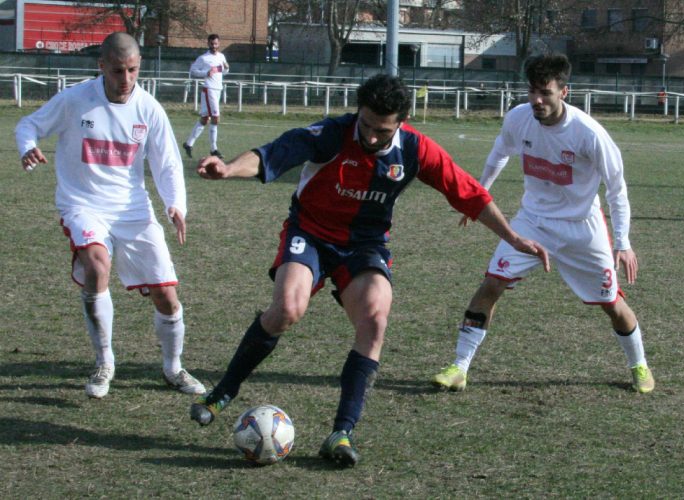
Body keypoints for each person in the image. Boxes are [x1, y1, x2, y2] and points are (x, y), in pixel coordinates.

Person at [189, 74, 549, 467]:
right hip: (309, 232)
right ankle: (223, 392)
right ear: (357, 113)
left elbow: (466, 192)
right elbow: (273, 153)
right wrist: (227, 169)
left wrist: (513, 237)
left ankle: (342, 432)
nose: (372, 138)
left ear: (401, 123)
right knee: (288, 310)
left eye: (383, 130)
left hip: (364, 245)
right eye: (366, 126)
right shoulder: (331, 133)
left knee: (375, 319)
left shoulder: (414, 149)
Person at [432, 54, 655, 394]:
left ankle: (639, 364)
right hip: (532, 223)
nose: (536, 100)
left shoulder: (589, 134)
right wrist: (478, 197)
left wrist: (622, 242)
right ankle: (459, 367)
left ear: (564, 91)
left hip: (582, 228)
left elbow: (616, 188)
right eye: (532, 91)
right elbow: (499, 154)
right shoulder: (519, 119)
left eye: (545, 93)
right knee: (491, 285)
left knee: (612, 304)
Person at [15, 32, 205, 399]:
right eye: (118, 71)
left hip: (132, 208)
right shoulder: (75, 100)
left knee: (167, 296)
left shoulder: (149, 108)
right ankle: (105, 362)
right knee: (97, 266)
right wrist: (28, 147)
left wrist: (176, 205)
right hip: (83, 203)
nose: (127, 79)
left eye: (133, 70)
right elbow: (29, 125)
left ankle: (173, 367)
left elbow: (166, 163)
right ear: (101, 66)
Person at [183, 33, 229, 160]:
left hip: (217, 89)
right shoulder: (203, 58)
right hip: (209, 89)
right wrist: (205, 73)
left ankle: (188, 144)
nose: (214, 46)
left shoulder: (221, 56)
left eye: (216, 43)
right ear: (208, 43)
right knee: (216, 118)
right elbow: (193, 71)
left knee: (204, 119)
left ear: (219, 44)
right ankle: (214, 149)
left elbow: (223, 72)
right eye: (211, 43)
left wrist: (226, 69)